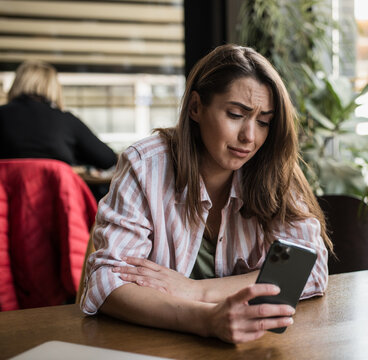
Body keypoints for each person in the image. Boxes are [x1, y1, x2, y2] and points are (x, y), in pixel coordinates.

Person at [80, 44, 332, 344]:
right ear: (196, 107)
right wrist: (204, 320)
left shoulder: (273, 167)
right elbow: (106, 283)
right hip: (155, 346)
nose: (250, 137)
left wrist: (195, 290)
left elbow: (308, 269)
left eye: (264, 121)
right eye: (236, 114)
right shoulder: (145, 165)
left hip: (255, 346)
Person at [0, 60, 117, 170]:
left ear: (16, 84)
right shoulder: (66, 120)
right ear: (53, 87)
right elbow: (108, 159)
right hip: (56, 192)